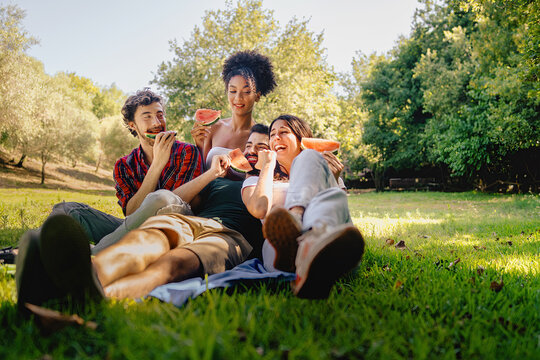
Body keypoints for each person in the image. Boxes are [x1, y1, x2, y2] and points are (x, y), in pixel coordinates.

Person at [16, 126, 269, 310]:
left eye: (262, 146)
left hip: (228, 236)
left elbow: (267, 212)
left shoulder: (276, 185)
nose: (252, 150)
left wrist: (268, 169)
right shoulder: (221, 179)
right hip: (190, 221)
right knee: (142, 243)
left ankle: (88, 294)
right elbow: (175, 198)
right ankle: (82, 274)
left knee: (174, 265)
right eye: (248, 145)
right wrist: (212, 174)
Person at [47, 89, 203, 246]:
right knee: (67, 209)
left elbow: (175, 207)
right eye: (147, 117)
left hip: (174, 232)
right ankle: (36, 246)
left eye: (160, 115)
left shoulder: (187, 152)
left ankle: (98, 251)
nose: (156, 122)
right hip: (133, 229)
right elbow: (132, 213)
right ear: (133, 125)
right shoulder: (123, 165)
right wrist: (156, 167)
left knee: (160, 198)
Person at [241, 115, 365, 299]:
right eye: (272, 134)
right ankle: (304, 246)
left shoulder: (318, 165)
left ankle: (305, 232)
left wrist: (333, 178)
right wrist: (267, 165)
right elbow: (259, 209)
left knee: (330, 189)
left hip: (329, 240)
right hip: (281, 253)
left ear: (301, 139)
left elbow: (336, 209)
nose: (275, 138)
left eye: (283, 132)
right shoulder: (256, 179)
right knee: (328, 188)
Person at [191, 50, 276, 169]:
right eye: (233, 91)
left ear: (257, 95)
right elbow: (200, 169)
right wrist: (199, 144)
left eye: (246, 92)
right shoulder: (213, 128)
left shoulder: (259, 138)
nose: (238, 98)